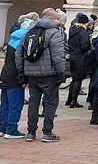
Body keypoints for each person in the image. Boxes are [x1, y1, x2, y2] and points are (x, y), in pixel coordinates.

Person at [16, 8, 67, 143]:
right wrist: (61, 72)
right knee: (51, 102)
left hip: (32, 74)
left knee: (33, 102)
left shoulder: (30, 31)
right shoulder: (54, 33)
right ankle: (47, 132)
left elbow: (19, 54)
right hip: (49, 74)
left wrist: (22, 71)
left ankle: (31, 132)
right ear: (53, 20)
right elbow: (58, 56)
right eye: (57, 19)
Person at [0, 13, 35, 138]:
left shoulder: (12, 38)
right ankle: (11, 129)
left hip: (5, 74)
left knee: (5, 105)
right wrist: (24, 76)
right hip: (15, 76)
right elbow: (22, 61)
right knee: (15, 104)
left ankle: (1, 128)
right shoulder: (23, 41)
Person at [65, 13, 92, 108]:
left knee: (74, 78)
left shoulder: (72, 30)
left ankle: (69, 99)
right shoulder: (83, 32)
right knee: (78, 79)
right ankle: (73, 100)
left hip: (72, 56)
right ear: (86, 23)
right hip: (80, 57)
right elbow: (84, 46)